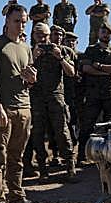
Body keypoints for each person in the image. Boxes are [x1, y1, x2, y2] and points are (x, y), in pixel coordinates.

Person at [0, 5, 43, 203]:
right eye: (17, 21)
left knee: (17, 157)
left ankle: (17, 198)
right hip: (5, 109)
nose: (21, 25)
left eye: (24, 21)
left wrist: (31, 79)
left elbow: (28, 80)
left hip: (24, 108)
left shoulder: (26, 47)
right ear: (7, 21)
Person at [28, 22, 77, 182]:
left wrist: (60, 57)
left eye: (45, 36)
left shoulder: (61, 50)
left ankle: (70, 167)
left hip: (56, 97)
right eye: (38, 36)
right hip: (36, 99)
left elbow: (71, 73)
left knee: (62, 132)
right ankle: (42, 170)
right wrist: (33, 58)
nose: (42, 39)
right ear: (33, 36)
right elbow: (21, 73)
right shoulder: (28, 51)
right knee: (38, 134)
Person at [79, 23, 111, 156]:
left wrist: (98, 66)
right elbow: (86, 69)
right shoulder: (91, 50)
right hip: (93, 93)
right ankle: (82, 155)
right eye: (103, 32)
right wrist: (106, 71)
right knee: (87, 125)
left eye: (108, 33)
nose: (105, 35)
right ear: (98, 34)